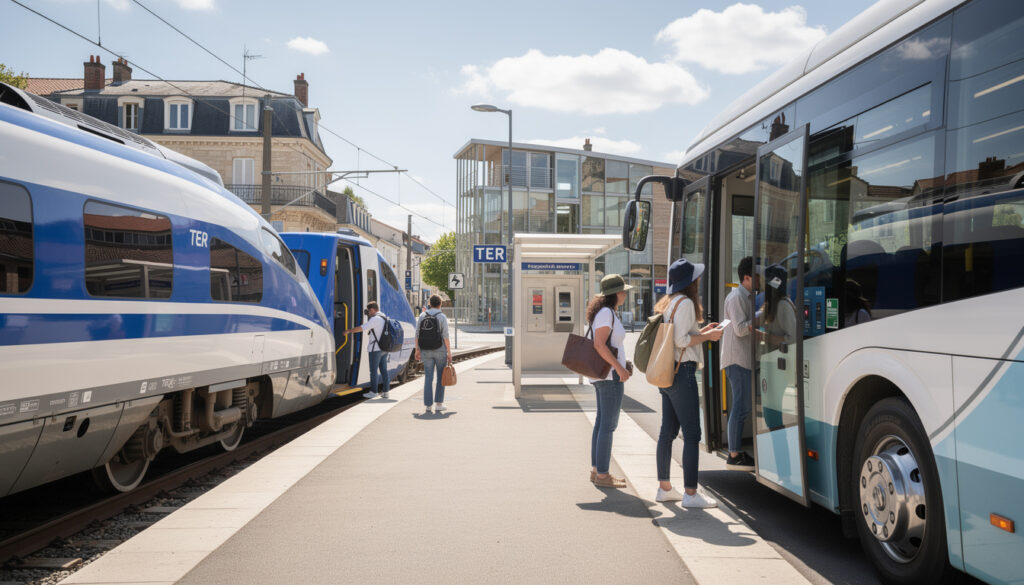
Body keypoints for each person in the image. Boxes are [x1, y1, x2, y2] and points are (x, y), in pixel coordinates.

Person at [651, 258, 721, 507]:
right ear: (691, 282)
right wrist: (709, 337)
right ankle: (691, 494)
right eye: (696, 278)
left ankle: (664, 488)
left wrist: (703, 332)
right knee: (692, 434)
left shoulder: (668, 303)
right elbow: (681, 341)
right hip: (683, 373)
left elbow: (677, 336)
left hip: (667, 373)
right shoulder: (687, 304)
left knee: (667, 432)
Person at [587, 274, 632, 489]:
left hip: (604, 375)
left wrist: (622, 363)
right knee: (608, 425)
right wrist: (619, 367)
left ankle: (597, 471)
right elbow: (599, 344)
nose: (625, 294)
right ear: (616, 293)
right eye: (623, 290)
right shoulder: (606, 313)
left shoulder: (607, 312)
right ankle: (603, 475)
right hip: (609, 376)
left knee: (601, 423)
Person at [721, 257, 756, 471]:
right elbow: (740, 329)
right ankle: (734, 454)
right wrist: (760, 318)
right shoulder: (736, 298)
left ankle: (735, 452)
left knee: (742, 407)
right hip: (737, 359)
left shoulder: (746, 296)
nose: (760, 281)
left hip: (741, 359)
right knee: (740, 407)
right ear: (746, 278)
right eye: (757, 277)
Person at [343, 302, 390, 399]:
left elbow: (362, 328)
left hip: (375, 349)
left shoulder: (375, 319)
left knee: (373, 371)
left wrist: (349, 331)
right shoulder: (384, 317)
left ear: (372, 310)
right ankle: (386, 392)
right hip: (384, 348)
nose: (368, 314)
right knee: (384, 370)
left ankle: (374, 391)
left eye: (368, 311)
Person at [416, 294, 451, 414]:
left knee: (428, 377)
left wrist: (417, 350)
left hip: (425, 350)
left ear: (430, 304)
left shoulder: (422, 315)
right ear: (440, 304)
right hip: (440, 349)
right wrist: (449, 352)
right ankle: (439, 404)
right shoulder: (442, 316)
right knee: (441, 376)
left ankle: (428, 406)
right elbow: (445, 336)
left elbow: (417, 334)